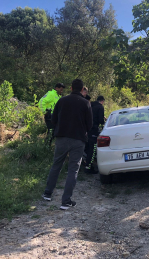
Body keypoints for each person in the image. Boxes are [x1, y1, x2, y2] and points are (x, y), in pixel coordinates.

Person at [42, 79, 93, 210]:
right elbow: (90, 124)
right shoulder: (85, 103)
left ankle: (47, 193)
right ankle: (66, 201)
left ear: (71, 88)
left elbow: (53, 120)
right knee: (73, 169)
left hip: (62, 138)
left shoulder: (61, 101)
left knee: (56, 165)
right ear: (82, 90)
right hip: (78, 140)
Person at [85, 96, 105, 174]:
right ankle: (88, 167)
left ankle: (86, 164)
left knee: (87, 147)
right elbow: (100, 120)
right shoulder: (100, 107)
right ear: (102, 101)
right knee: (92, 149)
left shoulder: (90, 105)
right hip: (93, 129)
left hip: (86, 129)